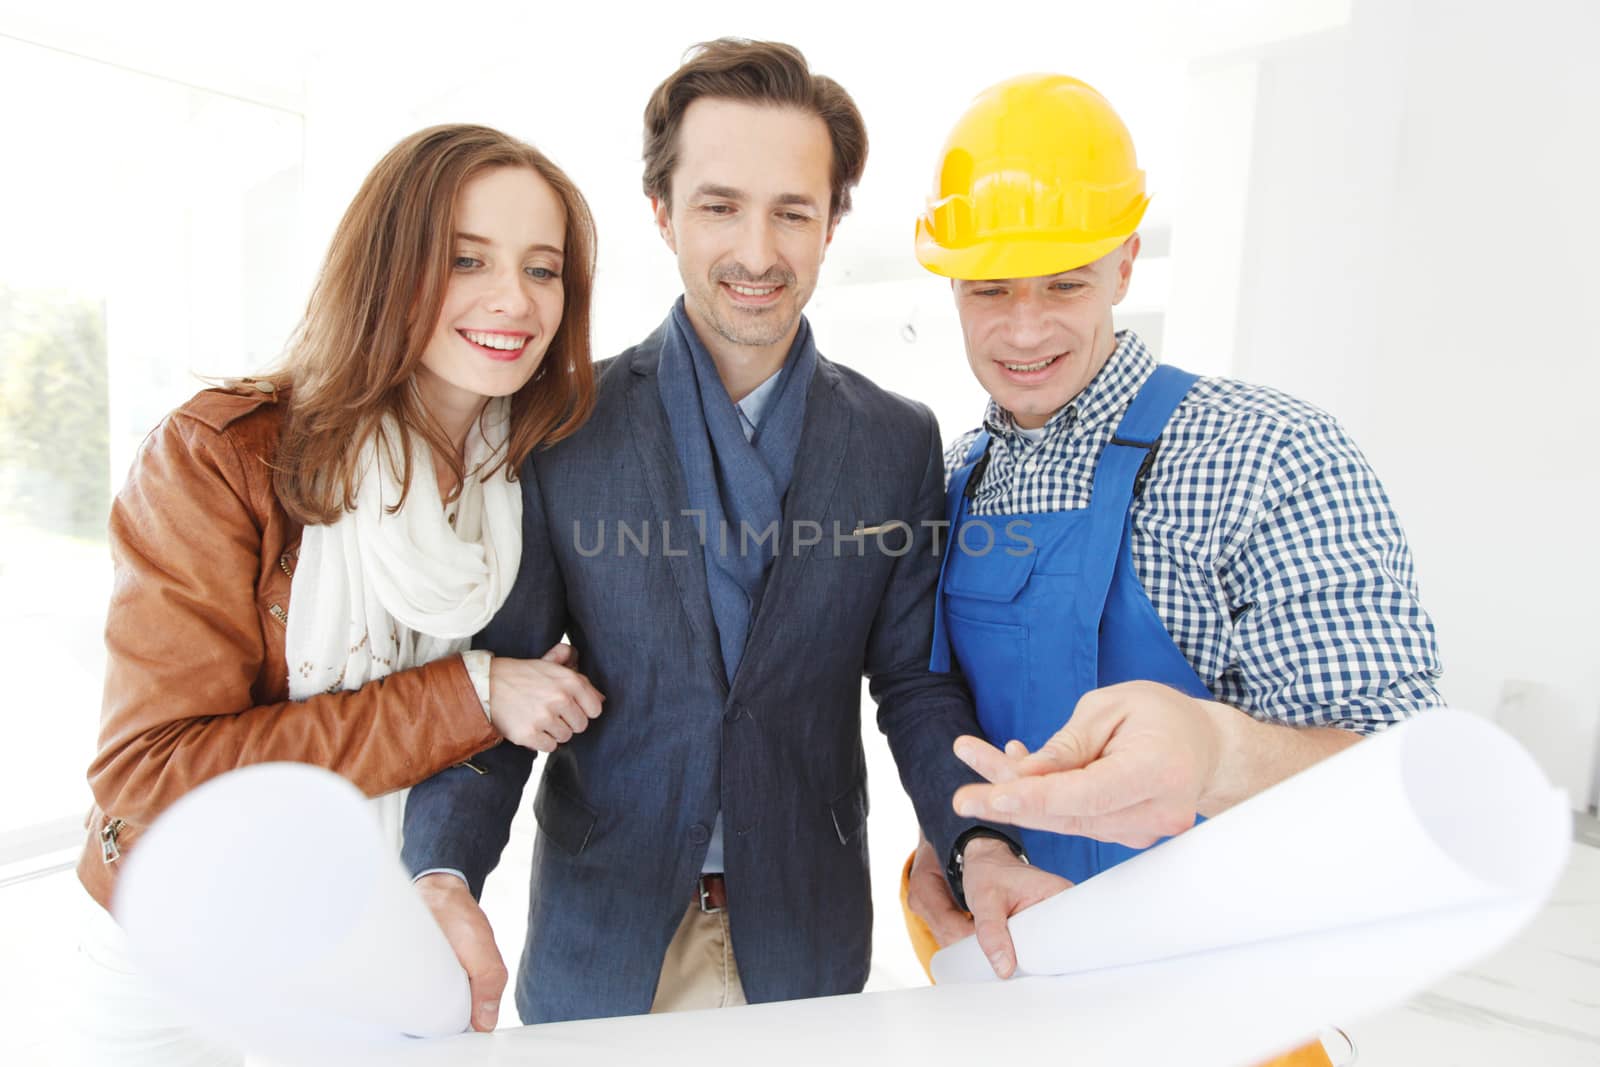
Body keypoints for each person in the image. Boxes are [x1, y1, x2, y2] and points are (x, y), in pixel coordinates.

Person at [402, 39, 1066, 1030]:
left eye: (792, 211)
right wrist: (443, 869)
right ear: (662, 213)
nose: (758, 251)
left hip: (806, 925)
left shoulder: (894, 438)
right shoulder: (560, 429)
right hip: (605, 932)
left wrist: (978, 839)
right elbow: (508, 685)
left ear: (831, 224)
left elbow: (914, 682)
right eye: (720, 205)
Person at [73, 124, 602, 1065]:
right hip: (184, 953)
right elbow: (154, 776)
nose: (513, 300)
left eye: (544, 268)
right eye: (465, 258)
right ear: (386, 268)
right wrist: (471, 693)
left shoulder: (528, 475)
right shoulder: (220, 455)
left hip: (372, 944)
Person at [902, 73, 1444, 978]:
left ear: (1125, 261)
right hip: (1004, 977)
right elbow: (948, 711)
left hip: (1219, 990)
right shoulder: (956, 478)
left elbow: (1404, 774)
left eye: (1065, 282)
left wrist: (1216, 749)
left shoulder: (1268, 455)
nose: (1024, 328)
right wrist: (958, 839)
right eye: (991, 289)